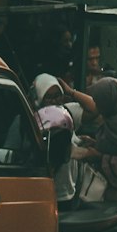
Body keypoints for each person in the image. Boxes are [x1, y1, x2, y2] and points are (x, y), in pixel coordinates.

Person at [59, 71, 117, 204]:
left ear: (110, 101)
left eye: (101, 102)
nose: (98, 106)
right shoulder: (113, 119)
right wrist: (94, 143)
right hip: (104, 188)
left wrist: (96, 155)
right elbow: (112, 146)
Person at [30, 72, 79, 205]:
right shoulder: (28, 122)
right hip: (44, 196)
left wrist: (71, 92)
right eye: (49, 97)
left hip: (69, 194)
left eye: (58, 96)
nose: (54, 101)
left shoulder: (67, 114)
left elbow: (93, 108)